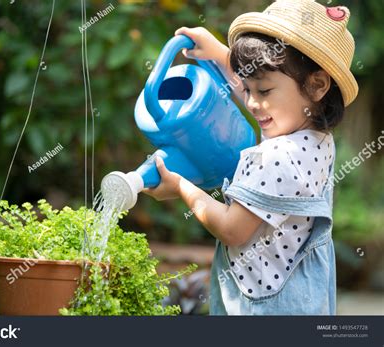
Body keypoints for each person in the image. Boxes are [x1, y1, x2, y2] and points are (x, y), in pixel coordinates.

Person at [142, 0, 359, 315]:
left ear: (317, 85)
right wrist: (219, 53)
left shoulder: (276, 157)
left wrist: (181, 188)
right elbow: (265, 84)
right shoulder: (314, 138)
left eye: (264, 92)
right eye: (247, 89)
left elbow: (232, 229)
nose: (253, 104)